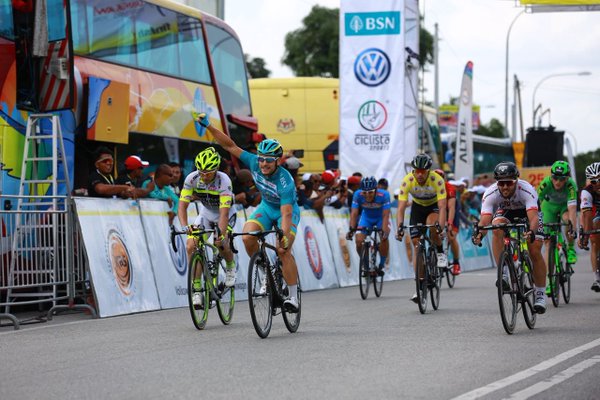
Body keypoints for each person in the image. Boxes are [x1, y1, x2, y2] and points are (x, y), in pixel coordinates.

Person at [196, 113, 301, 312]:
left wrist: (284, 236)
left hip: (285, 212)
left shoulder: (285, 181)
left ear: (277, 161)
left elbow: (286, 214)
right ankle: (265, 273)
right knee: (247, 237)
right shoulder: (253, 162)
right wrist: (208, 125)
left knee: (282, 250)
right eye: (261, 159)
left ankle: (293, 297)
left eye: (269, 160)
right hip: (266, 207)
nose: (263, 164)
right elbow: (229, 145)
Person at [472, 161, 548, 314]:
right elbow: (485, 220)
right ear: (497, 182)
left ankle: (540, 294)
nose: (505, 187)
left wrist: (531, 232)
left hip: (529, 213)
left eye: (509, 183)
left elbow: (533, 218)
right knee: (496, 227)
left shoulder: (526, 190)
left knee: (534, 250)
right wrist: (479, 233)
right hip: (507, 211)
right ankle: (504, 272)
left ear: (516, 180)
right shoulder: (490, 193)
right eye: (501, 183)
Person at [178, 147, 237, 307]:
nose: (204, 176)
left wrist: (221, 234)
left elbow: (224, 213)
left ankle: (230, 266)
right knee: (191, 245)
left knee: (220, 242)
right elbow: (182, 206)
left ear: (216, 170)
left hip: (225, 214)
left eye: (208, 173)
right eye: (201, 172)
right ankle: (197, 290)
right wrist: (184, 227)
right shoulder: (192, 178)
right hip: (206, 214)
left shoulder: (224, 180)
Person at [395, 154, 447, 303]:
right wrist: (399, 227)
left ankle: (440, 252)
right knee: (417, 246)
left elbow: (442, 207)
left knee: (433, 226)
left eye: (422, 171)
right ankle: (420, 286)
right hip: (417, 208)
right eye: (417, 171)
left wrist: (441, 227)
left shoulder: (437, 180)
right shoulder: (407, 181)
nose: (419, 174)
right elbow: (401, 208)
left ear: (428, 171)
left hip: (433, 207)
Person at [537, 161, 578, 275]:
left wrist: (573, 229)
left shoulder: (571, 186)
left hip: (564, 207)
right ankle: (549, 278)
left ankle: (570, 248)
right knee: (548, 242)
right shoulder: (546, 183)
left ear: (567, 178)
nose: (557, 182)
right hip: (549, 207)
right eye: (555, 178)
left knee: (568, 221)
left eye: (561, 179)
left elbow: (572, 209)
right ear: (551, 176)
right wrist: (538, 224)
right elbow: (536, 204)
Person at [346, 176, 391, 275]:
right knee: (358, 241)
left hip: (381, 218)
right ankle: (366, 265)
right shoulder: (357, 194)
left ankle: (381, 264)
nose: (367, 195)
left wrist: (384, 230)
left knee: (384, 238)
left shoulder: (384, 195)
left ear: (376, 190)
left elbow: (385, 215)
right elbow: (354, 213)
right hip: (366, 218)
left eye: (370, 192)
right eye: (364, 192)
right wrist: (351, 229)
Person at [578, 162, 600, 292]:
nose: (597, 183)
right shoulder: (586, 192)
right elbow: (586, 215)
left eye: (599, 179)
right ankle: (597, 279)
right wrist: (585, 236)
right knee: (594, 241)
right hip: (596, 211)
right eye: (593, 181)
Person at [435, 169, 461, 275]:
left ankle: (456, 262)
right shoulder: (430, 188)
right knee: (434, 233)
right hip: (438, 210)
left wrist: (449, 222)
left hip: (450, 210)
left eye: (441, 178)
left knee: (451, 237)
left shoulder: (449, 187)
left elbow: (451, 208)